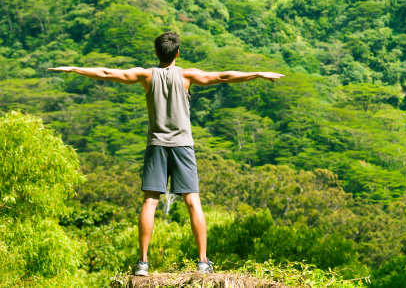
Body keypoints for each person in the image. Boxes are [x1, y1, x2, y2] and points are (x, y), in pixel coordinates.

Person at [49, 31, 285, 276]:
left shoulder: (146, 75)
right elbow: (223, 76)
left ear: (156, 53)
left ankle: (142, 263)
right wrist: (257, 73)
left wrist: (74, 68)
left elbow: (109, 73)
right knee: (193, 202)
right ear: (177, 53)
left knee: (150, 202)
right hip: (183, 145)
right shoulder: (186, 75)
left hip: (156, 145)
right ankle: (203, 262)